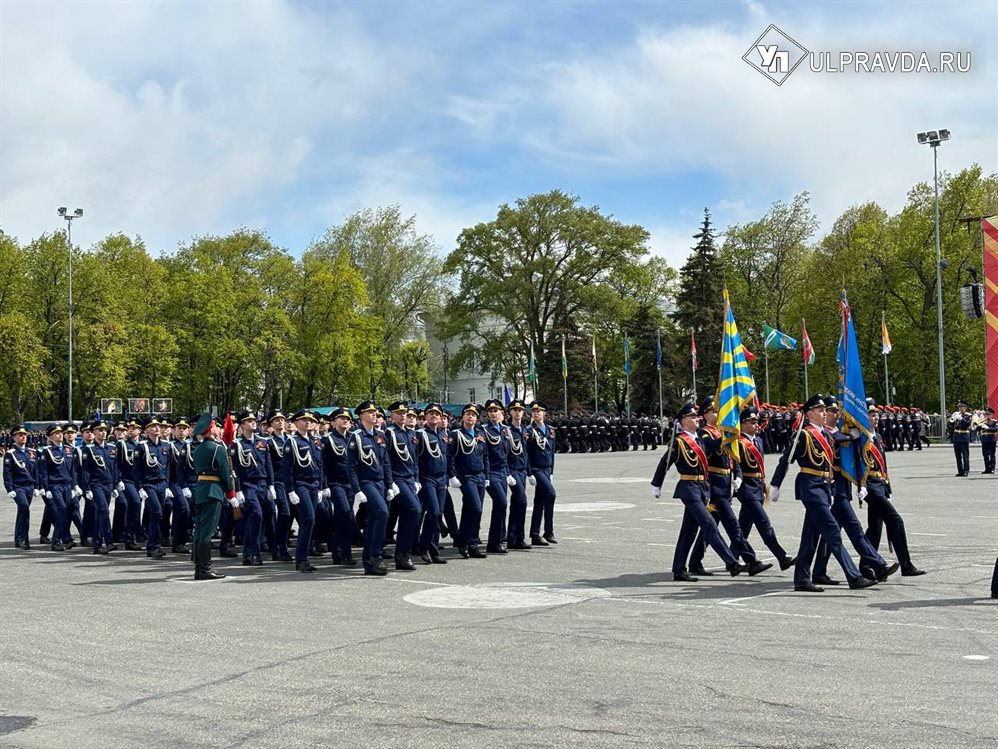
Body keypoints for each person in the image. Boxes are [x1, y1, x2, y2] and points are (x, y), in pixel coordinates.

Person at [769, 393, 877, 593]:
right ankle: (853, 577)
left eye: (825, 410)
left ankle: (801, 579)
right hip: (811, 488)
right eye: (820, 410)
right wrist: (775, 485)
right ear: (810, 414)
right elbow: (786, 460)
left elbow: (832, 456)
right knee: (833, 532)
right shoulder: (803, 435)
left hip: (824, 488)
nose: (825, 413)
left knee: (810, 536)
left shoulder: (826, 435)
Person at [651, 402, 747, 582]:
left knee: (689, 531)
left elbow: (717, 444)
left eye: (697, 416)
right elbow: (665, 463)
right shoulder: (679, 442)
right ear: (683, 421)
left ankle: (679, 569)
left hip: (702, 489)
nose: (697, 419)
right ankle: (731, 562)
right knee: (709, 524)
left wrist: (731, 429)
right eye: (693, 417)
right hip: (689, 489)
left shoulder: (700, 440)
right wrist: (657, 484)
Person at [811, 397, 899, 586]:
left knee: (831, 534)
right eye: (831, 411)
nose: (834, 414)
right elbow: (834, 440)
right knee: (854, 529)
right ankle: (877, 564)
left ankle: (819, 571)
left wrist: (861, 485)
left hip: (842, 489)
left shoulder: (838, 431)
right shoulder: (824, 433)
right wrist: (851, 435)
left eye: (836, 411)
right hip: (832, 490)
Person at [688, 397, 772, 576]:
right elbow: (710, 447)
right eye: (714, 412)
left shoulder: (722, 432)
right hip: (714, 487)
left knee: (710, 528)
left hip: (725, 485)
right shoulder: (705, 433)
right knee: (733, 526)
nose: (718, 414)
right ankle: (751, 560)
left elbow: (732, 458)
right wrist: (731, 432)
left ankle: (695, 562)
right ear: (705, 415)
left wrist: (738, 476)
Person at [861, 401, 926, 577]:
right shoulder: (861, 438)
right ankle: (906, 566)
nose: (875, 418)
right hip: (870, 487)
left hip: (880, 485)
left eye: (876, 415)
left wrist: (887, 487)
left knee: (875, 528)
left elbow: (884, 465)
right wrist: (862, 484)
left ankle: (866, 566)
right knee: (896, 521)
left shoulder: (878, 437)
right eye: (871, 415)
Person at [734, 406, 796, 571]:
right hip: (746, 489)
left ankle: (732, 557)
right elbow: (737, 465)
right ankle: (782, 557)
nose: (756, 425)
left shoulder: (758, 441)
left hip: (757, 487)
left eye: (757, 422)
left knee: (743, 526)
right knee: (764, 523)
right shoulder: (739, 443)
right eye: (751, 422)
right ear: (742, 424)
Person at [346, 400, 393, 575]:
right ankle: (376, 554)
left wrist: (389, 484)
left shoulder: (381, 435)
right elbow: (351, 466)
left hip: (380, 482)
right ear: (361, 416)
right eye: (370, 412)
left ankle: (369, 561)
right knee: (382, 512)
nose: (374, 414)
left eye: (376, 412)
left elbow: (385, 462)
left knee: (375, 519)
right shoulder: (356, 436)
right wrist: (357, 489)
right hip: (366, 481)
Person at [191, 413, 235, 580]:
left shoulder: (198, 448)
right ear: (211, 429)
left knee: (200, 530)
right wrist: (230, 493)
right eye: (216, 426)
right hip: (214, 490)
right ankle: (205, 569)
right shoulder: (217, 448)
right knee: (207, 532)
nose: (218, 428)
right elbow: (224, 473)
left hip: (201, 489)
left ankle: (198, 567)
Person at [230, 411, 273, 567]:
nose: (253, 423)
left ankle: (249, 552)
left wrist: (271, 485)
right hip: (248, 484)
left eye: (254, 420)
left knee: (255, 519)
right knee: (256, 515)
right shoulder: (237, 445)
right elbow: (234, 469)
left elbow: (268, 465)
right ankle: (252, 552)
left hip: (262, 483)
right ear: (242, 425)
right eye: (248, 421)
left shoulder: (263, 442)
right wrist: (239, 489)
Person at [284, 409, 325, 573]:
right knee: (308, 518)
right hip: (300, 484)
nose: (307, 422)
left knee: (311, 520)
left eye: (310, 420)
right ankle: (301, 559)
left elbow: (320, 465)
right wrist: (290, 490)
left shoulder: (315, 441)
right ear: (296, 423)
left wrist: (321, 486)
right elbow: (287, 469)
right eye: (303, 420)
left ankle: (305, 556)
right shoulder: (292, 442)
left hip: (314, 484)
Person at [383, 402, 422, 571]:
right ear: (392, 415)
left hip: (409, 478)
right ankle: (402, 554)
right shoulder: (389, 433)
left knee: (410, 512)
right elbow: (386, 459)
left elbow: (414, 459)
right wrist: (390, 482)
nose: (402, 415)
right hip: (397, 478)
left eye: (404, 412)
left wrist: (416, 479)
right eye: (398, 413)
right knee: (414, 509)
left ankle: (402, 554)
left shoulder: (410, 433)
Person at [448, 403, 489, 558]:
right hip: (466, 476)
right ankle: (467, 541)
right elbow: (450, 456)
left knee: (470, 509)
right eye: (467, 414)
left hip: (479, 476)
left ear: (477, 418)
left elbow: (485, 456)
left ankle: (470, 544)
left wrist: (487, 476)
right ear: (462, 417)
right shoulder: (456, 434)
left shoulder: (480, 434)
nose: (470, 416)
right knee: (476, 508)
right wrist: (452, 475)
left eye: (473, 414)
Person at [322, 407, 359, 566]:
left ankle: (341, 551)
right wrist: (324, 485)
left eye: (348, 419)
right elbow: (322, 465)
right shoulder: (328, 440)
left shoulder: (353, 438)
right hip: (336, 483)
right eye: (341, 418)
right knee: (344, 512)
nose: (345, 421)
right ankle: (341, 552)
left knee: (347, 516)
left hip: (350, 483)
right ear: (334, 421)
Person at [80, 420, 118, 554]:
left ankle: (97, 543)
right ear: (94, 432)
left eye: (104, 430)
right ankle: (108, 540)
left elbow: (114, 468)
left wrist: (116, 484)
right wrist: (87, 489)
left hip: (108, 484)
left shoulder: (112, 448)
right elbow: (86, 471)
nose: (103, 432)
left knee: (100, 514)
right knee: (103, 511)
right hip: (96, 484)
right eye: (100, 430)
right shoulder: (88, 449)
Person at [482, 399, 513, 554]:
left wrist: (507, 473)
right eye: (490, 411)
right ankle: (494, 542)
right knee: (501, 502)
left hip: (502, 471)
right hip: (491, 472)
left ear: (502, 412)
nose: (493, 414)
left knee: (502, 505)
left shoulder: (505, 430)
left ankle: (499, 538)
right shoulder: (483, 430)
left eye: (496, 411)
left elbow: (506, 454)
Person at [525, 401, 558, 546]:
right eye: (534, 411)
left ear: (544, 413)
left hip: (546, 469)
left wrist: (552, 471)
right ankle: (548, 530)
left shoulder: (550, 430)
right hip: (537, 469)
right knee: (551, 494)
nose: (536, 413)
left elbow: (552, 452)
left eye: (539, 411)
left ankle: (534, 534)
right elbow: (526, 453)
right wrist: (529, 472)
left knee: (540, 501)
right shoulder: (529, 431)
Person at [36, 424, 73, 551]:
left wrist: (75, 486)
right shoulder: (47, 451)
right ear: (50, 437)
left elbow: (72, 470)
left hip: (67, 485)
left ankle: (65, 539)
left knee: (66, 512)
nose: (60, 435)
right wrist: (46, 489)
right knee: (61, 510)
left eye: (61, 433)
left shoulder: (68, 450)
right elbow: (43, 472)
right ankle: (56, 541)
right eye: (56, 433)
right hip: (55, 485)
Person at [3, 424, 38, 550]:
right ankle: (20, 538)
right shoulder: (10, 454)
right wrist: (10, 489)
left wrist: (37, 486)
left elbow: (35, 472)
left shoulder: (31, 453)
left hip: (29, 486)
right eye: (20, 435)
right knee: (23, 507)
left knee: (24, 511)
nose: (23, 437)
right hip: (18, 486)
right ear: (14, 437)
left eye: (24, 435)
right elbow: (7, 473)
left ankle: (23, 537)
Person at [505, 399, 532, 550]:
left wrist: (529, 472)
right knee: (522, 501)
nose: (517, 412)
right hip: (512, 470)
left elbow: (526, 452)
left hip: (522, 470)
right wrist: (507, 472)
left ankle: (513, 538)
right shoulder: (507, 431)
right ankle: (517, 537)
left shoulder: (524, 430)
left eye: (520, 409)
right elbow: (504, 453)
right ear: (510, 412)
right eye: (514, 410)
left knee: (517, 503)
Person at [949, 400, 972, 476]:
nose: (960, 409)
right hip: (956, 437)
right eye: (959, 407)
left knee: (965, 455)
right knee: (957, 455)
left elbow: (967, 424)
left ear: (965, 408)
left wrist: (961, 419)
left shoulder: (968, 416)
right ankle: (960, 471)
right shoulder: (956, 415)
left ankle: (966, 470)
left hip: (964, 436)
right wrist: (951, 421)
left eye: (962, 407)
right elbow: (951, 426)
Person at [978, 407, 996, 474]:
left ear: (992, 415)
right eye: (986, 414)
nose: (987, 416)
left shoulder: (994, 421)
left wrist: (988, 428)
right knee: (985, 455)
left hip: (991, 440)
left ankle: (992, 468)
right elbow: (976, 428)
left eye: (988, 414)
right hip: (984, 440)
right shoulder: (983, 421)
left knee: (992, 455)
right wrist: (979, 425)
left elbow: (995, 429)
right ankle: (987, 468)